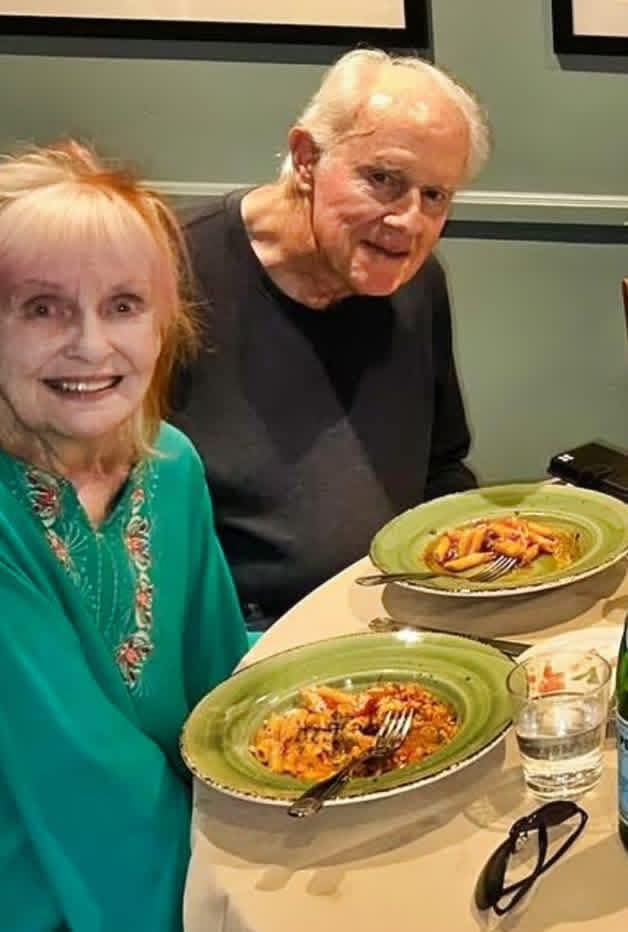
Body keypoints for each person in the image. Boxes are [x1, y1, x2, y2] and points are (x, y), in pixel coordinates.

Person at [0, 140, 247, 930]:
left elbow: (223, 687)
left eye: (123, 305)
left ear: (165, 323)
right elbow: (83, 782)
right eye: (42, 308)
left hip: (183, 847)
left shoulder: (171, 465)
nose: (90, 344)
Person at [172, 48, 491, 630]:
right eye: (383, 180)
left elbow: (442, 467)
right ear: (306, 159)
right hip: (241, 636)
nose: (409, 221)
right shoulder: (171, 272)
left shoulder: (418, 283)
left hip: (401, 613)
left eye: (435, 196)